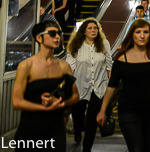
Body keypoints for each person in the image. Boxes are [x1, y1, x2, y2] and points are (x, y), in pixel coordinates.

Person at [97, 19, 150, 152]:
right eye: (138, 32)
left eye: (146, 32)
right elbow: (112, 86)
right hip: (129, 111)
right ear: (132, 35)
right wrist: (102, 110)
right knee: (136, 148)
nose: (142, 36)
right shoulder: (121, 59)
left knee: (147, 148)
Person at [12, 21, 79, 151]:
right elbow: (17, 102)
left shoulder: (63, 66)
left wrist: (61, 104)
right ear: (39, 37)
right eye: (52, 34)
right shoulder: (26, 66)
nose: (57, 37)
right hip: (30, 128)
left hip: (55, 128)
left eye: (59, 33)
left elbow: (75, 96)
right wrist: (45, 108)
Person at [66, 19, 112, 151]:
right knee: (78, 115)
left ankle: (86, 149)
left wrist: (110, 82)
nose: (93, 30)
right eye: (90, 28)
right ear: (84, 31)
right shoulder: (76, 45)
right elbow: (70, 67)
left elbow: (109, 64)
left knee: (92, 121)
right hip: (80, 85)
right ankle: (77, 130)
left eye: (95, 28)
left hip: (99, 86)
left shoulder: (104, 43)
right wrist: (70, 86)